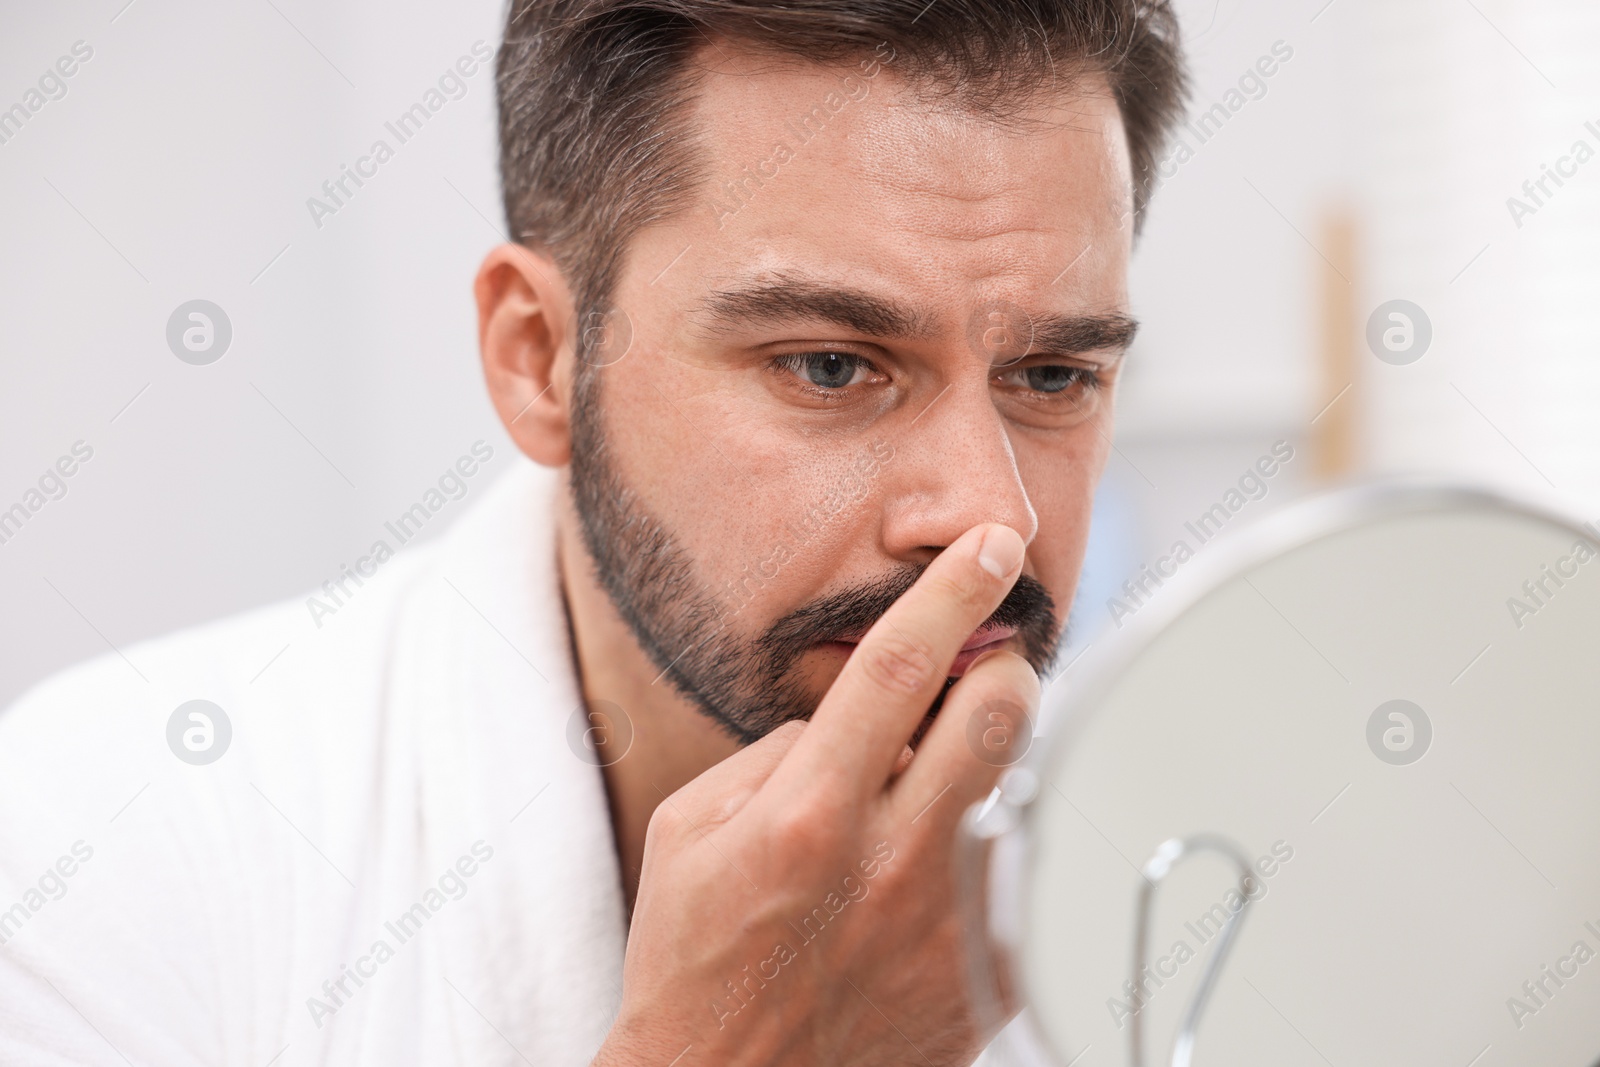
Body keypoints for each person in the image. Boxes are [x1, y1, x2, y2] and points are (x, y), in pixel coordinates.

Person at [0, 0, 1185, 1063]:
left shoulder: (1199, 879)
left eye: (1052, 373)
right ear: (538, 358)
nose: (990, 516)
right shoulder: (100, 843)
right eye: (831, 365)